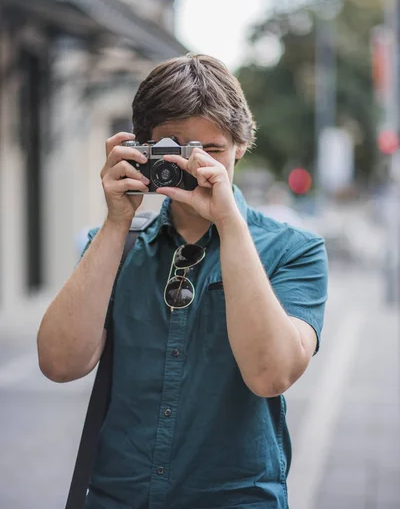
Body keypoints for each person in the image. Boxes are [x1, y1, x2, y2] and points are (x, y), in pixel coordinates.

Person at [37, 54, 328, 509]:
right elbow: (58, 363)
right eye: (176, 148)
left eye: (211, 150)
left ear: (240, 146)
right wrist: (117, 222)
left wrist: (229, 224)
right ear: (142, 150)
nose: (196, 166)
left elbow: (272, 374)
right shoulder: (113, 244)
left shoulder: (295, 250)